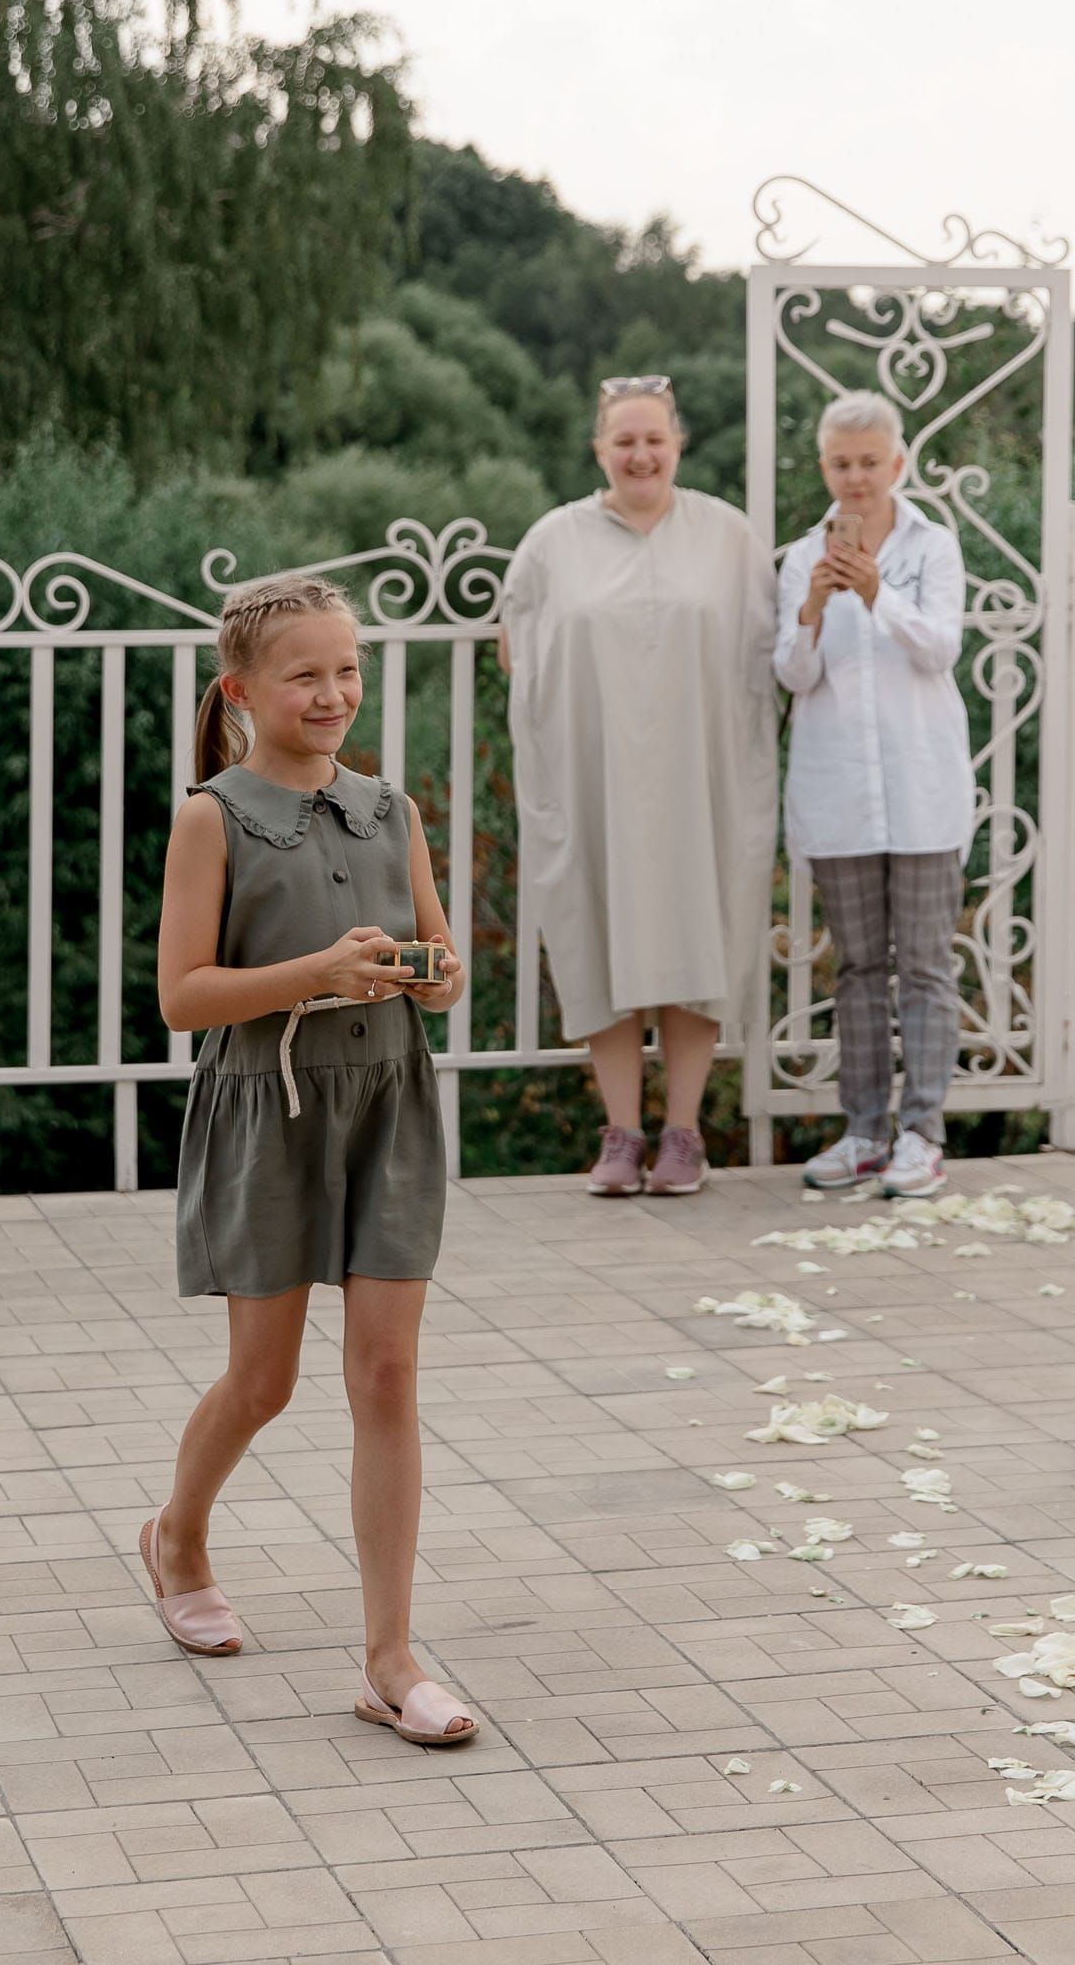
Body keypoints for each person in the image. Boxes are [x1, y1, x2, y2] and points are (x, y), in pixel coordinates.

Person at [147, 570, 478, 1746]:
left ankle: (389, 1661)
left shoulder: (393, 810)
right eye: (306, 675)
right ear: (241, 691)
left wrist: (432, 978)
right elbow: (183, 998)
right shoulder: (211, 816)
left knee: (385, 1373)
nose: (333, 693)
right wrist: (318, 974)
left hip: (389, 1104)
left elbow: (444, 969)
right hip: (265, 1112)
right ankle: (178, 1535)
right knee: (266, 1381)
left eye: (347, 670)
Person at [500, 375, 778, 1194]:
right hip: (596, 778)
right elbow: (517, 645)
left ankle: (683, 1135)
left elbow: (768, 657)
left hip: (701, 777)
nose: (641, 454)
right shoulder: (554, 540)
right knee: (599, 928)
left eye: (655, 439)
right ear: (600, 450)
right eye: (624, 441)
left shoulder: (727, 535)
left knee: (699, 929)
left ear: (677, 444)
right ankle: (621, 1136)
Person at [775, 391, 972, 1198]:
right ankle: (863, 1131)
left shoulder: (935, 546)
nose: (855, 477)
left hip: (923, 789)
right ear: (825, 467)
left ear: (897, 463)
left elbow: (940, 649)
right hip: (839, 793)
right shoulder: (800, 557)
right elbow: (793, 675)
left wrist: (877, 592)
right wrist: (815, 605)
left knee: (924, 966)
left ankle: (922, 1135)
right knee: (857, 968)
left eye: (869, 462)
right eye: (841, 463)